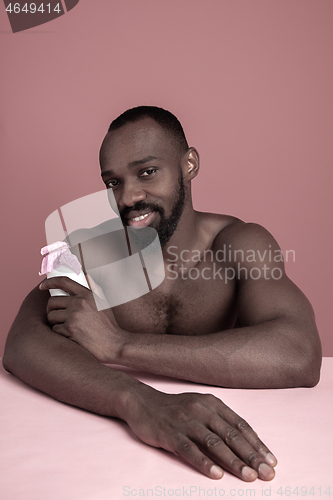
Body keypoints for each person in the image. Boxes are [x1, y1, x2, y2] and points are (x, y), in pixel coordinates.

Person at [3, 106, 321, 483]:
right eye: (113, 182)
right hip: (99, 467)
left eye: (147, 172)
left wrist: (120, 345)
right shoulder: (88, 253)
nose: (128, 197)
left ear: (189, 164)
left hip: (244, 451)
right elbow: (22, 343)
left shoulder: (239, 244)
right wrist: (139, 400)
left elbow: (299, 352)